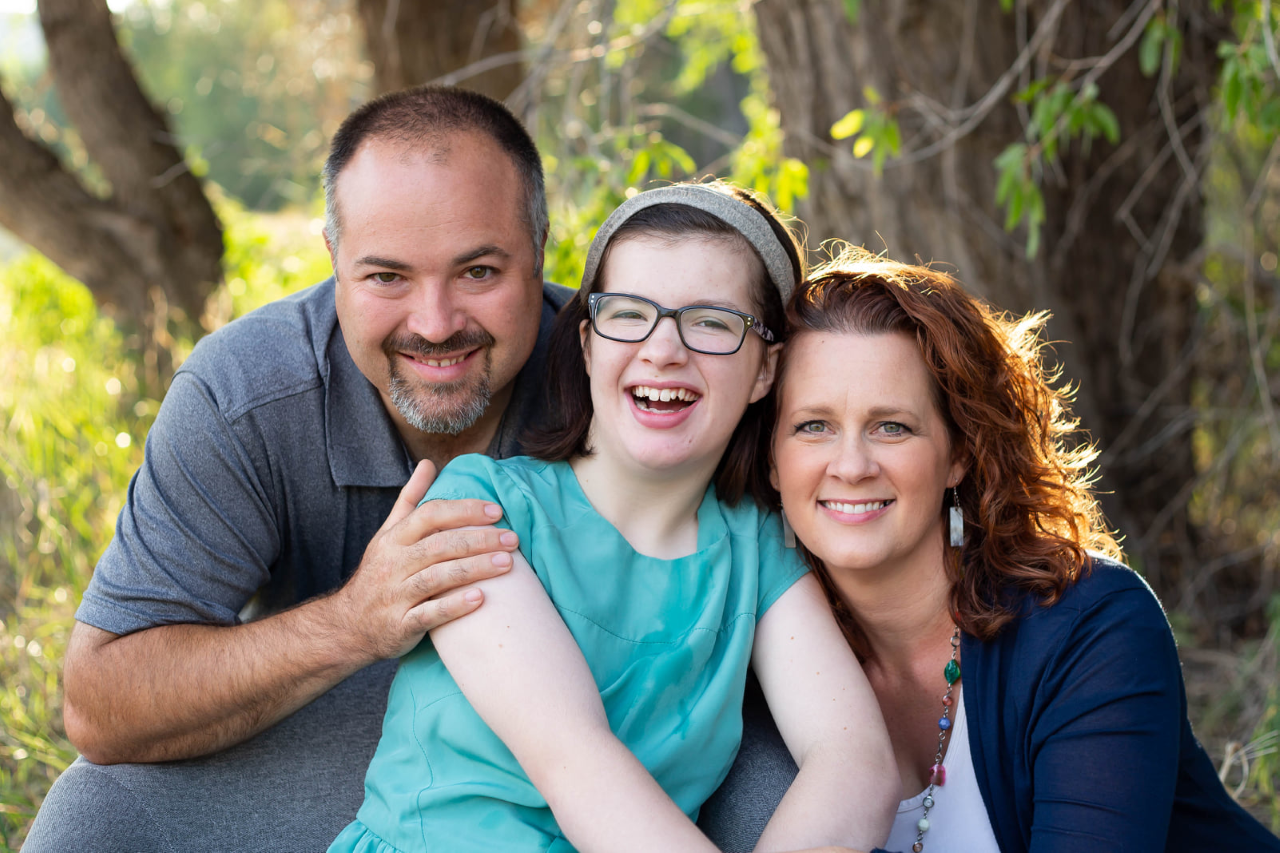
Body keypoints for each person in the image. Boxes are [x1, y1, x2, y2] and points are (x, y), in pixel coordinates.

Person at [24, 86, 573, 850]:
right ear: (334, 261)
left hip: (608, 734)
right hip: (339, 738)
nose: (436, 322)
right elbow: (99, 702)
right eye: (387, 277)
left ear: (540, 249)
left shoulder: (627, 375)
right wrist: (356, 621)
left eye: (479, 271)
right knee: (94, 812)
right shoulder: (244, 393)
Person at [329, 183, 898, 853]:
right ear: (589, 342)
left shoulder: (758, 548)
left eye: (712, 322)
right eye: (629, 314)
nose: (663, 350)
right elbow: (576, 763)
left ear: (766, 370)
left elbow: (856, 762)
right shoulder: (476, 505)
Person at [743, 246, 1280, 852]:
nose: (851, 465)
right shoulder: (754, 655)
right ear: (771, 459)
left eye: (892, 426)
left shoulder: (1089, 626)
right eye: (813, 426)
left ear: (959, 453)